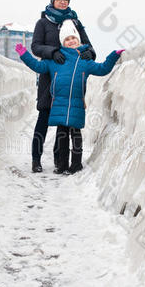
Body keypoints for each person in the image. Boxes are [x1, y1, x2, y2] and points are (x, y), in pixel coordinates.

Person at [15, 20, 124, 175]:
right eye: (67, 39)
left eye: (73, 38)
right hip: (59, 103)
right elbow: (38, 67)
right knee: (62, 136)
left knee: (76, 135)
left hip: (76, 103)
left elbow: (102, 69)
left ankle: (76, 164)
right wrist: (24, 54)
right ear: (62, 42)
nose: (71, 41)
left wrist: (114, 55)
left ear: (78, 39)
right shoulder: (56, 60)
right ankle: (61, 165)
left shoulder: (85, 60)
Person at [29, 0, 96, 173]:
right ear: (52, 1)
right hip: (49, 75)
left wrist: (89, 53)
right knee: (44, 116)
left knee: (65, 121)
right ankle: (36, 159)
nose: (63, 1)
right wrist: (53, 52)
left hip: (70, 77)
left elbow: (88, 45)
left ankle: (61, 160)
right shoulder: (43, 23)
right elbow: (35, 47)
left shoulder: (75, 22)